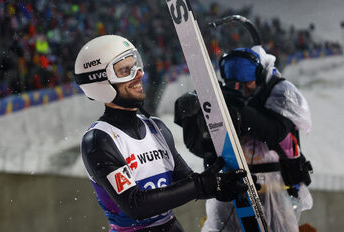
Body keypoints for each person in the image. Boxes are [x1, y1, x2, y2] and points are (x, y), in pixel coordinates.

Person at [73, 34, 249, 232]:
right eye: (125, 71)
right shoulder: (99, 140)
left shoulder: (156, 128)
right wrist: (201, 185)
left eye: (136, 66)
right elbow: (136, 205)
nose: (139, 74)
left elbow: (186, 183)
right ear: (100, 83)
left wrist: (217, 185)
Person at [174, 45, 313, 231]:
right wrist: (194, 113)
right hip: (232, 188)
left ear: (260, 75)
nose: (243, 89)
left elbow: (274, 132)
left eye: (248, 82)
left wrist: (238, 109)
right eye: (237, 83)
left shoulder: (280, 93)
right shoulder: (229, 97)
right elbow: (204, 147)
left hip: (275, 190)